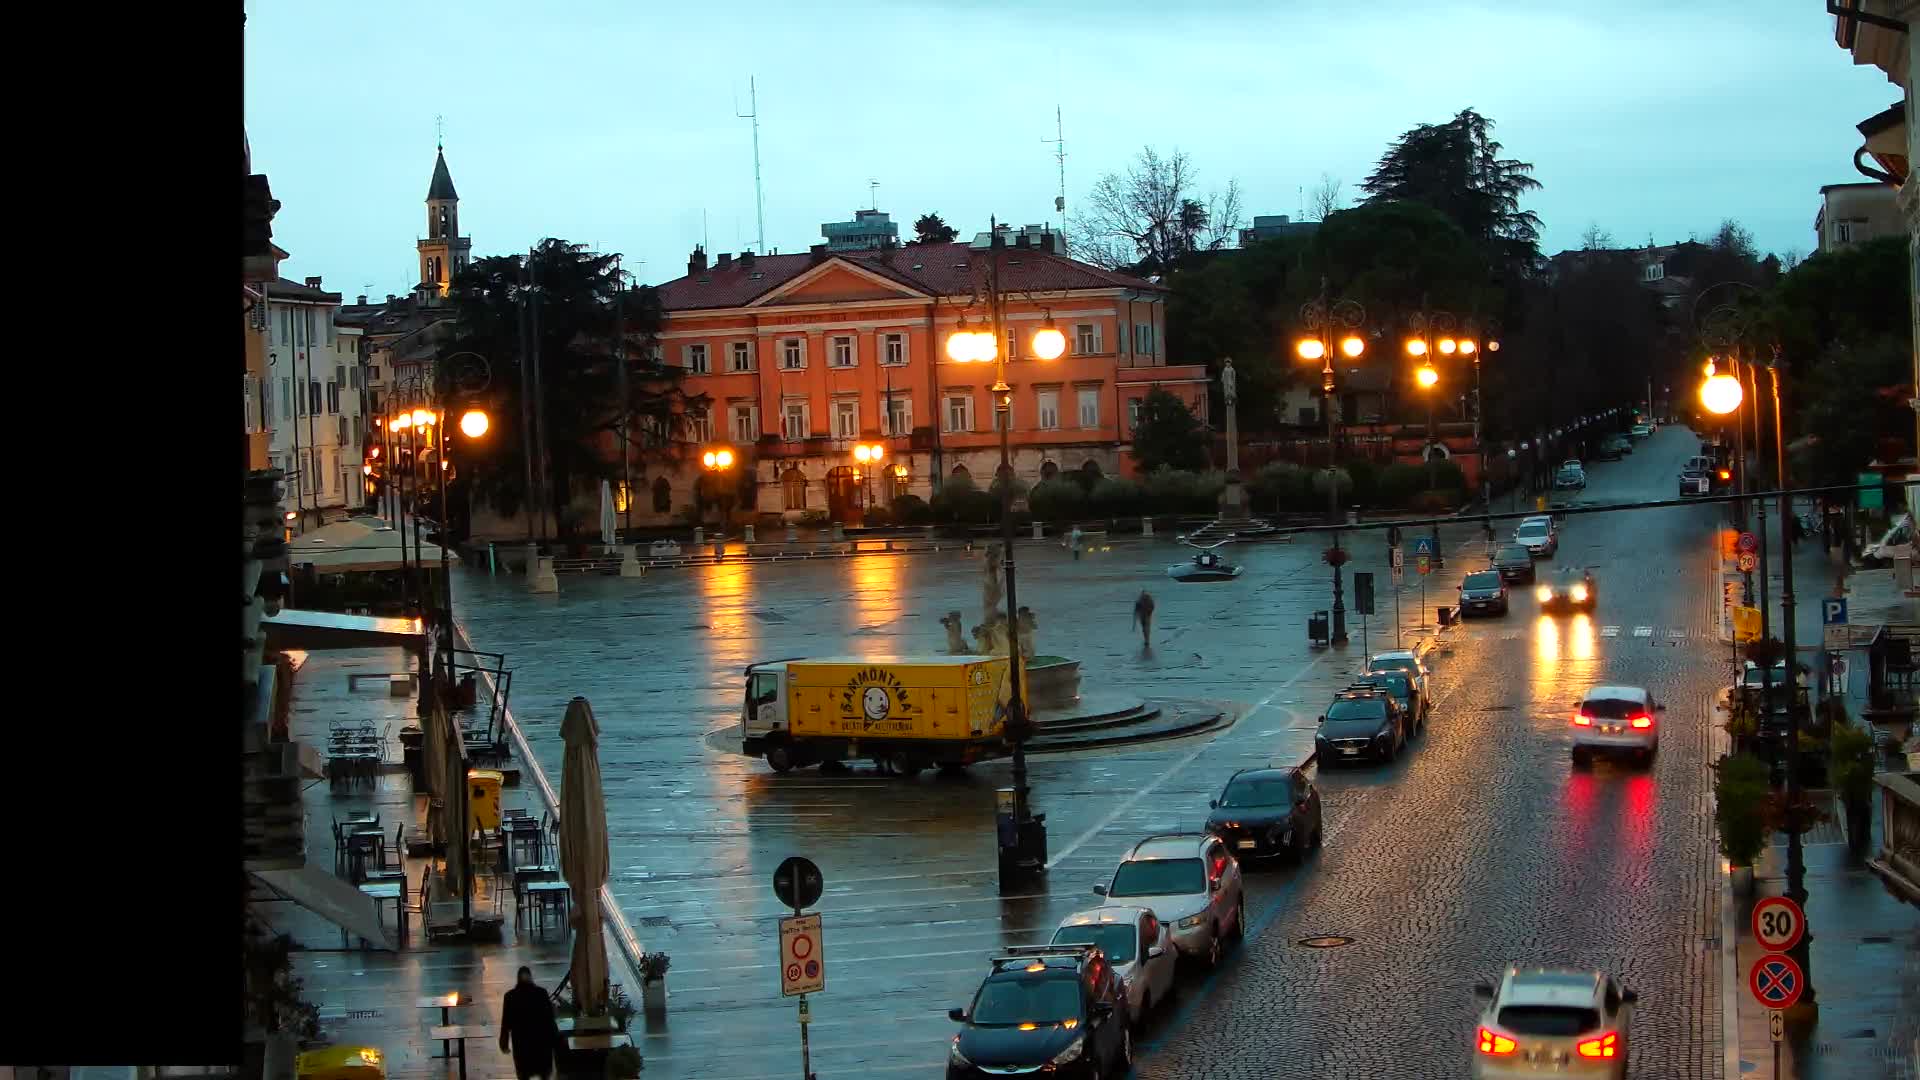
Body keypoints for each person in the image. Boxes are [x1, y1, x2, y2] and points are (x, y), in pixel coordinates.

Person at [500, 966, 561, 1080]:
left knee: (523, 1074)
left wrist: (504, 1042)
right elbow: (549, 1019)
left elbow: (506, 1022)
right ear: (531, 977)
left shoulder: (510, 997)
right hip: (541, 1045)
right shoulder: (541, 993)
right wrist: (555, 1041)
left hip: (521, 1047)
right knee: (544, 1073)